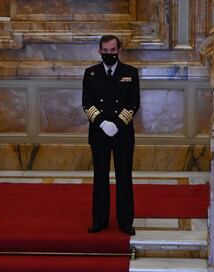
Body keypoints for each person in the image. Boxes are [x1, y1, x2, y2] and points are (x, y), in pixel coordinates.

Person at [82, 35, 140, 236]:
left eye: (112, 50)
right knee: (100, 177)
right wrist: (102, 123)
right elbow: (87, 104)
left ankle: (125, 221)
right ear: (99, 51)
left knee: (124, 178)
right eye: (105, 51)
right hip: (99, 133)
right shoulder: (90, 74)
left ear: (119, 50)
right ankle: (99, 220)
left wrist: (116, 124)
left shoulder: (130, 73)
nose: (109, 54)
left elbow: (134, 103)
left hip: (122, 134)